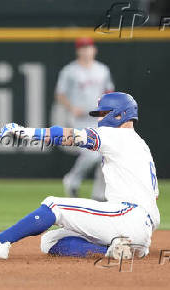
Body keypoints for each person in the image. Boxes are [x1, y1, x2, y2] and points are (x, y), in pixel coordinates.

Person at [0, 92, 159, 260]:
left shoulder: (117, 135)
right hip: (140, 232)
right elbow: (154, 196)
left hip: (127, 217)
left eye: (103, 113)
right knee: (50, 241)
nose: (99, 118)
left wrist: (27, 132)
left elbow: (71, 136)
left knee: (54, 205)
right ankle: (113, 251)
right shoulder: (141, 146)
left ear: (118, 115)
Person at [55, 37, 114, 201]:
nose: (87, 51)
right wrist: (72, 107)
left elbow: (109, 91)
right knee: (91, 154)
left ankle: (99, 194)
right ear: (78, 51)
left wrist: (108, 109)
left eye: (89, 47)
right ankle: (72, 180)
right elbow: (60, 94)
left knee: (105, 154)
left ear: (94, 50)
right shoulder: (70, 71)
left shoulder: (102, 69)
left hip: (99, 118)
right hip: (80, 119)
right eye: (83, 48)